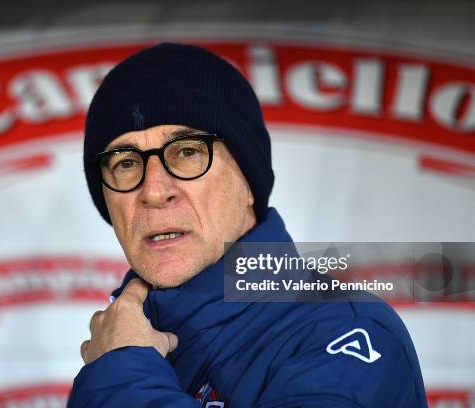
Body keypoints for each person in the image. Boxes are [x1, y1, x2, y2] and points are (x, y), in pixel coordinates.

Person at [67, 42, 427, 407]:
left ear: (248, 183)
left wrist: (123, 372)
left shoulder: (347, 333)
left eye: (188, 152)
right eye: (126, 163)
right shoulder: (123, 340)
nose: (155, 191)